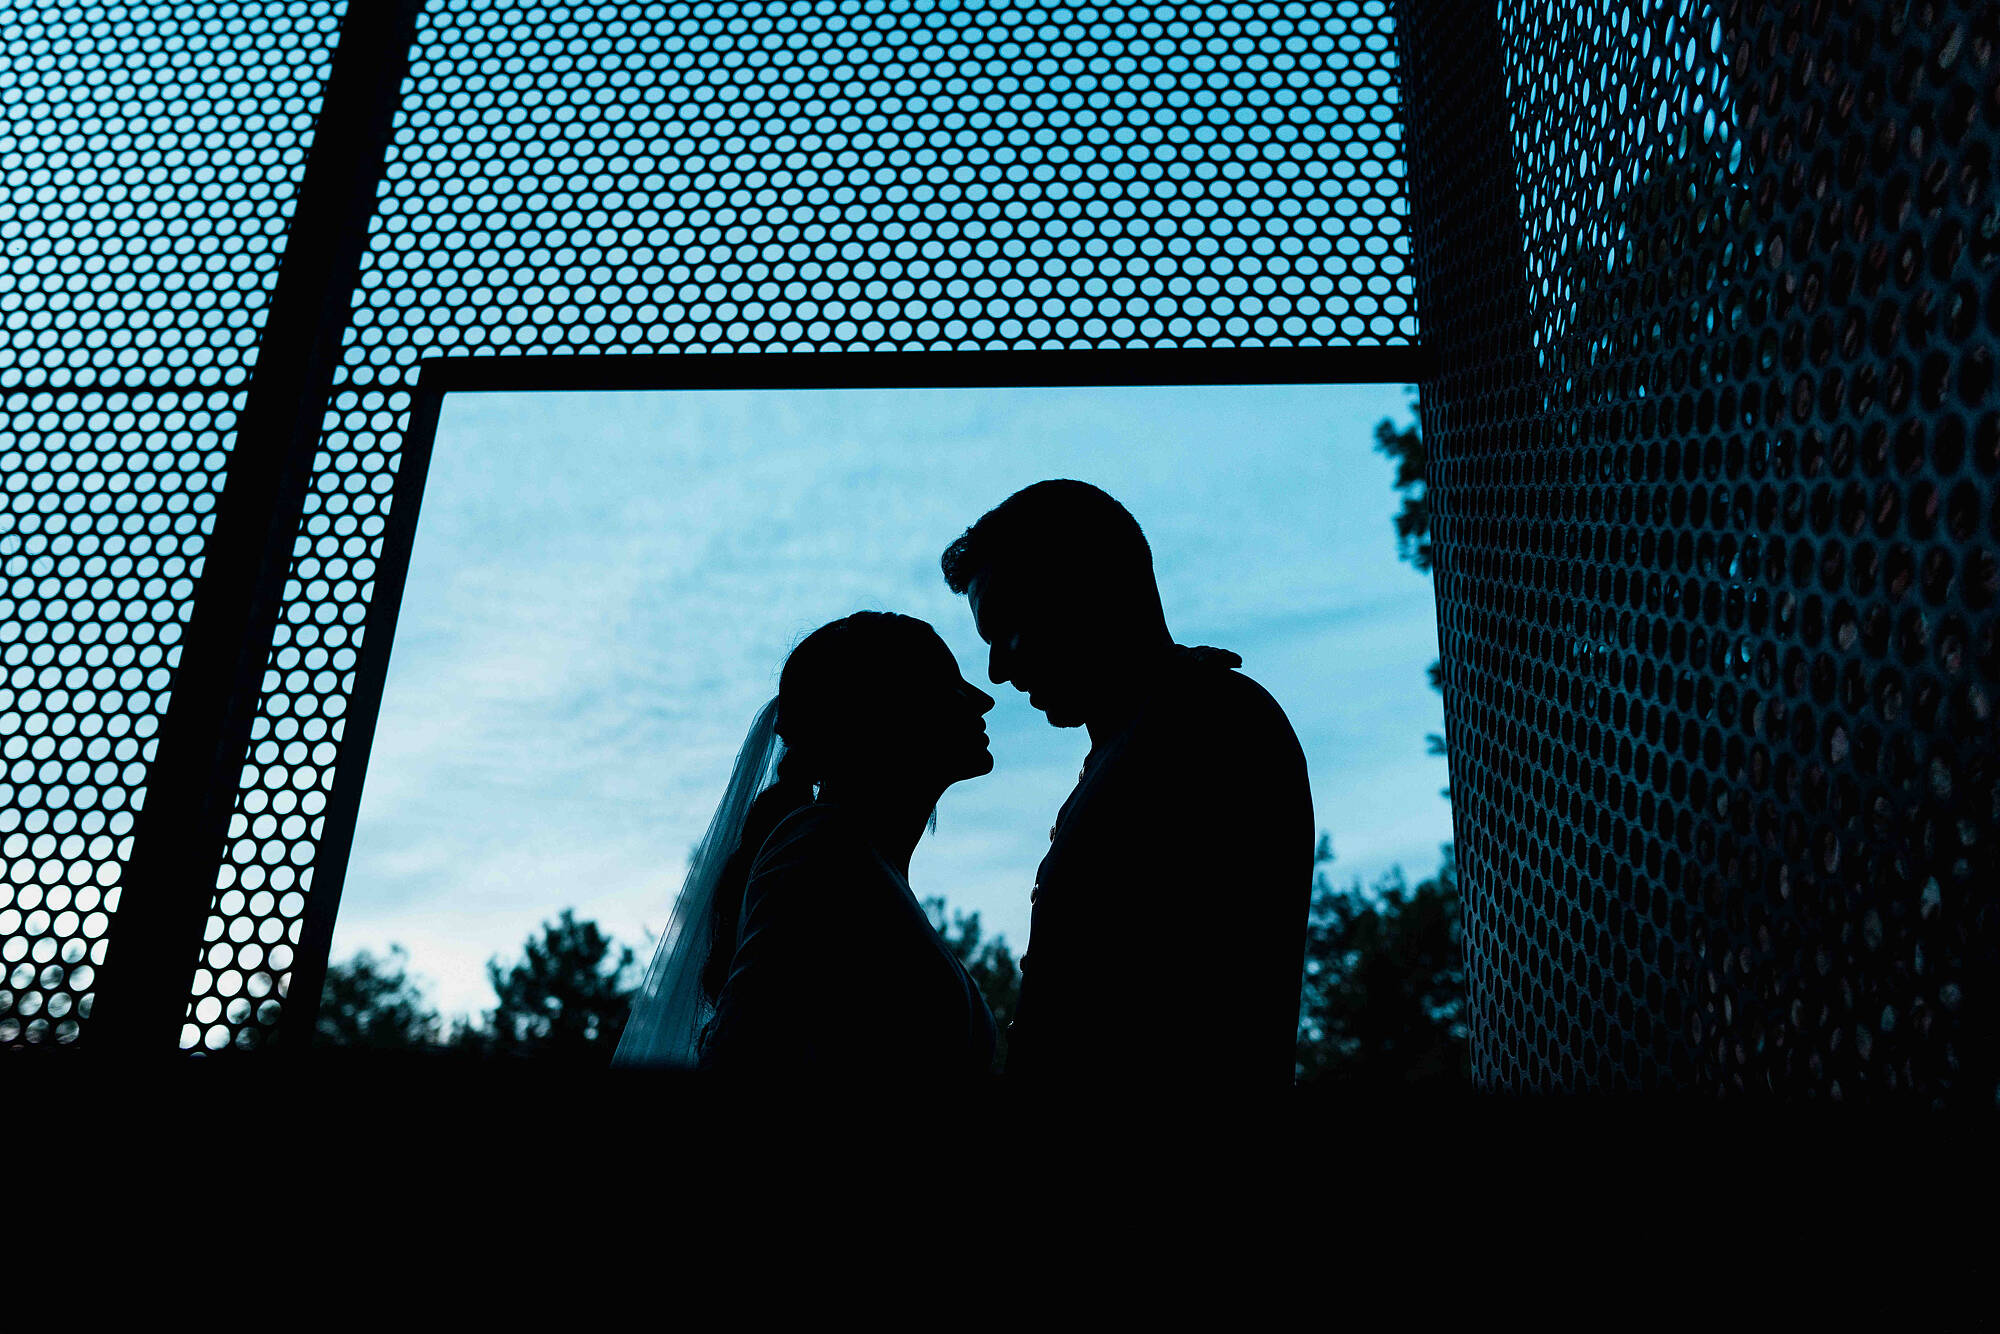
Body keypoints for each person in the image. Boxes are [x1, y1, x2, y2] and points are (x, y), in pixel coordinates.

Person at [942, 480, 1314, 1085]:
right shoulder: (1155, 731)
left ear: (1084, 590)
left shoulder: (1208, 726)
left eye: (1009, 628)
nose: (997, 672)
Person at [614, 611, 998, 1076]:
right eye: (948, 681)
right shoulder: (820, 851)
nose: (984, 700)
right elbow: (742, 1059)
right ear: (885, 707)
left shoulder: (854, 860)